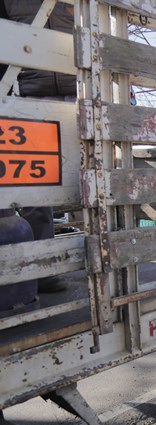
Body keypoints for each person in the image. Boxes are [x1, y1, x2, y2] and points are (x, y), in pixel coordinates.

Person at [1, 0, 75, 293]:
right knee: (38, 186)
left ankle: (110, 261)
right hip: (29, 98)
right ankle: (42, 268)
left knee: (99, 181)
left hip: (82, 92)